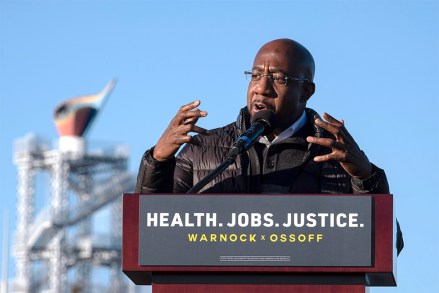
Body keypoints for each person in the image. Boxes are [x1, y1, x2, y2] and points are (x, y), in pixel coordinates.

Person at [135, 38, 403, 254]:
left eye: (278, 78)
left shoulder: (336, 156)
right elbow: (148, 237)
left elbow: (387, 246)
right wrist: (157, 161)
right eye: (255, 75)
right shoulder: (201, 148)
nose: (261, 88)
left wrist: (365, 177)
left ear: (306, 92)